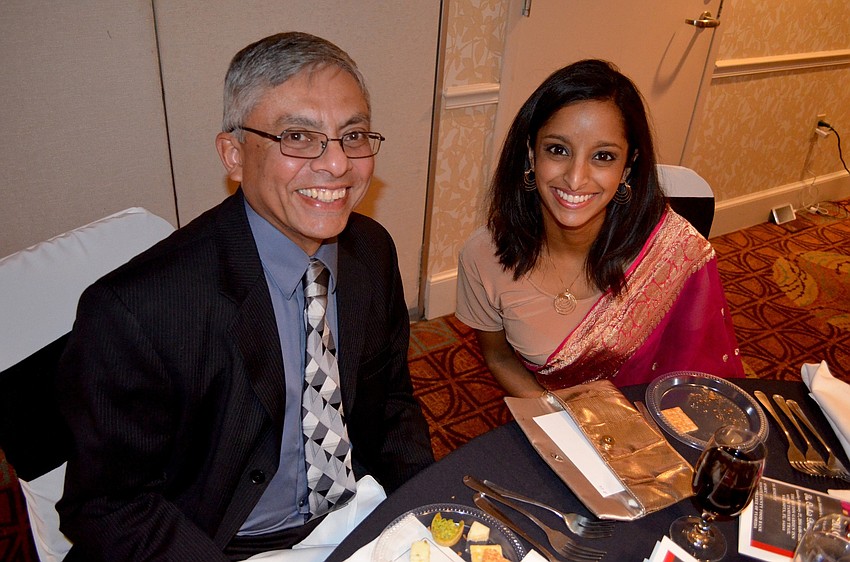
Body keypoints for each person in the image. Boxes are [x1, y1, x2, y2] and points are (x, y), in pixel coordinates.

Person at [56, 32, 434, 560]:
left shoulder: (371, 251)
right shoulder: (137, 310)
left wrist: (430, 508)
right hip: (219, 541)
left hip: (354, 513)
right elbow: (105, 504)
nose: (337, 165)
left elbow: (391, 403)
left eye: (353, 136)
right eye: (299, 137)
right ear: (233, 154)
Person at [456, 59, 744, 397]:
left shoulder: (673, 252)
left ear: (628, 166)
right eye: (558, 150)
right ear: (532, 154)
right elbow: (499, 357)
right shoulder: (484, 255)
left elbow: (703, 382)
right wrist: (564, 423)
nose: (576, 179)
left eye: (603, 157)